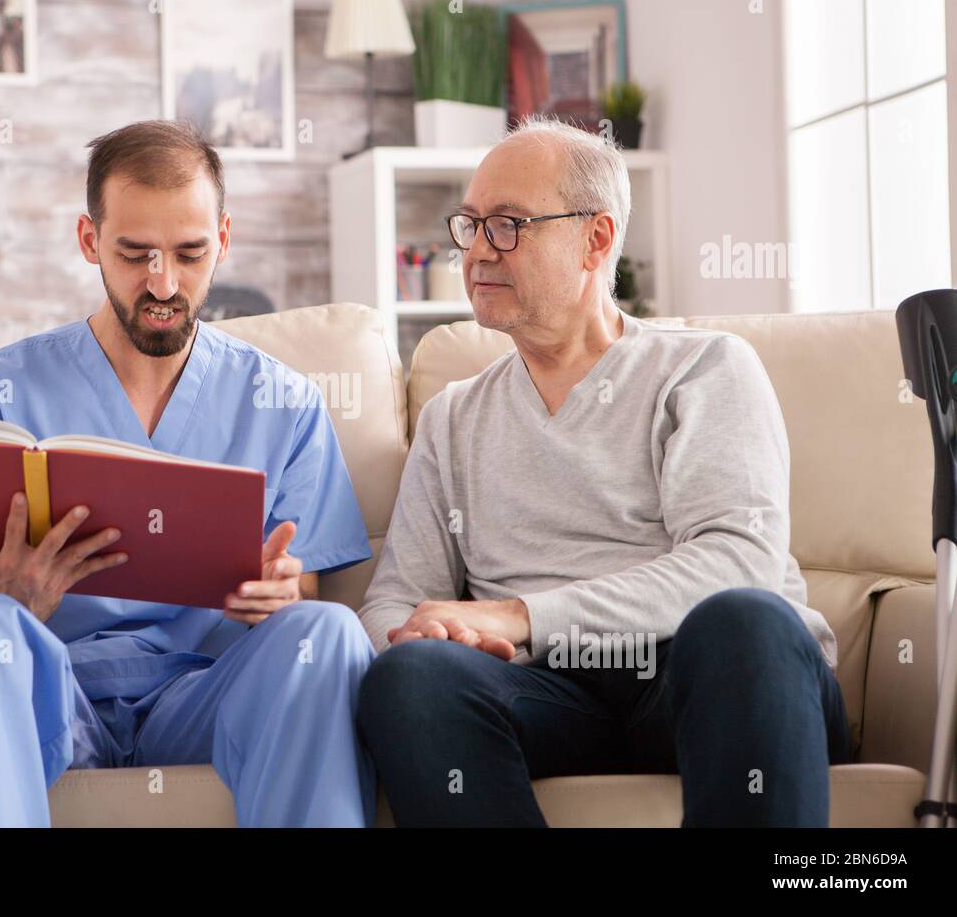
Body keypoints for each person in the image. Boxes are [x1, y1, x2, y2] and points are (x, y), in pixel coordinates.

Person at [357, 116, 851, 827]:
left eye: (507, 224)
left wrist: (522, 615)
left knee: (746, 617)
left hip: (708, 677)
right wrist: (424, 637)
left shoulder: (705, 368)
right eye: (469, 225)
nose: (475, 253)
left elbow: (739, 562)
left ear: (596, 238)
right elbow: (394, 601)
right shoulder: (452, 417)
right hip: (549, 700)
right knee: (409, 678)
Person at [0, 120, 375, 827]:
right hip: (48, 689)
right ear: (90, 241)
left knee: (329, 630)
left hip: (207, 694)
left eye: (189, 254)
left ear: (223, 237)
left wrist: (278, 591)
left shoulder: (285, 402)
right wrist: (9, 604)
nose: (163, 283)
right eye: (135, 254)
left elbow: (302, 582)